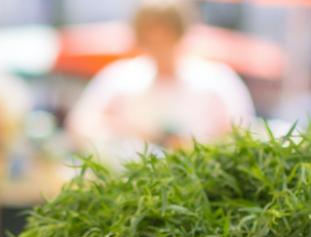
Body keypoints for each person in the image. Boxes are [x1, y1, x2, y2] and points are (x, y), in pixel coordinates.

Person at [67, 0, 254, 161]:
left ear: (181, 34)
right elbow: (80, 125)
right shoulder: (119, 78)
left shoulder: (217, 80)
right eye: (151, 38)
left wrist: (194, 145)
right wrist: (126, 131)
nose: (159, 44)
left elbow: (240, 133)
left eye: (166, 36)